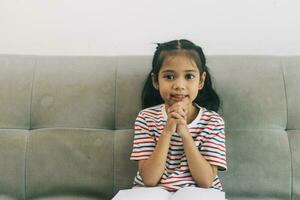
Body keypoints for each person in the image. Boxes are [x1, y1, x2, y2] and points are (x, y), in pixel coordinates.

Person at [130, 39, 227, 193]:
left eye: (189, 76)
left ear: (201, 81)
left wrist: (185, 133)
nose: (179, 85)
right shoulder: (146, 118)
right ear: (156, 81)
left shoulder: (213, 122)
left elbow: (206, 181)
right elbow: (149, 180)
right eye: (169, 77)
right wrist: (167, 131)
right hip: (152, 193)